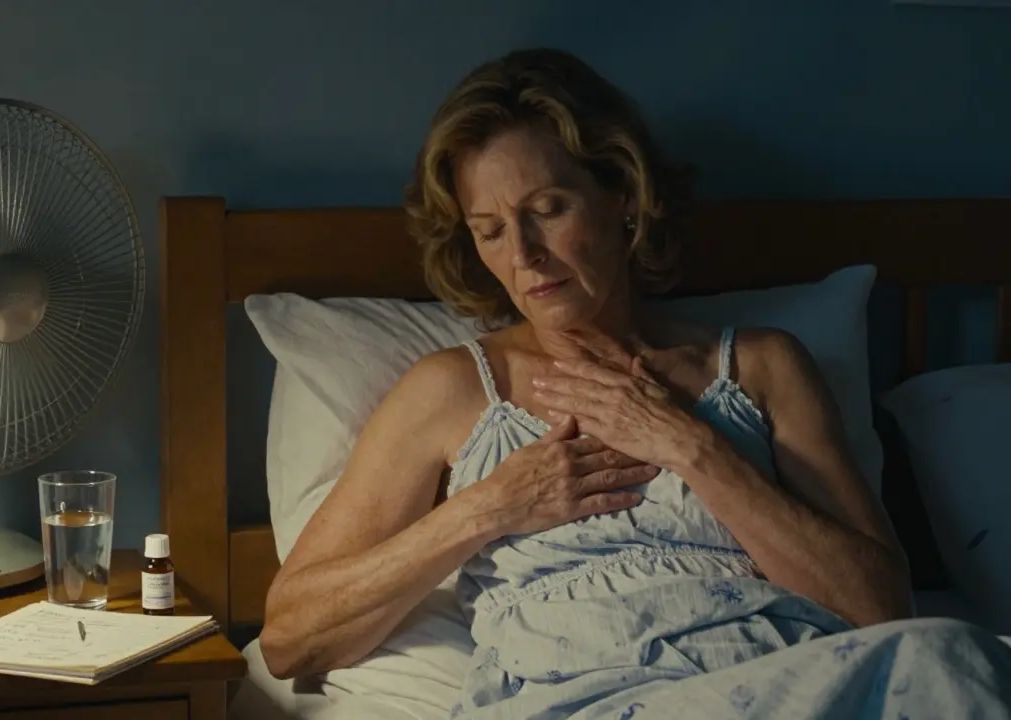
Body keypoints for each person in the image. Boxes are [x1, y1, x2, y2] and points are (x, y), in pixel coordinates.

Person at [259, 48, 1011, 718]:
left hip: (790, 681)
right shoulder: (453, 391)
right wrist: (490, 507)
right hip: (580, 694)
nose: (523, 254)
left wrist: (693, 448)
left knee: (952, 656)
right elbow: (292, 638)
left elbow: (882, 608)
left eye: (546, 210)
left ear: (621, 193)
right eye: (489, 230)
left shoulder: (763, 367)